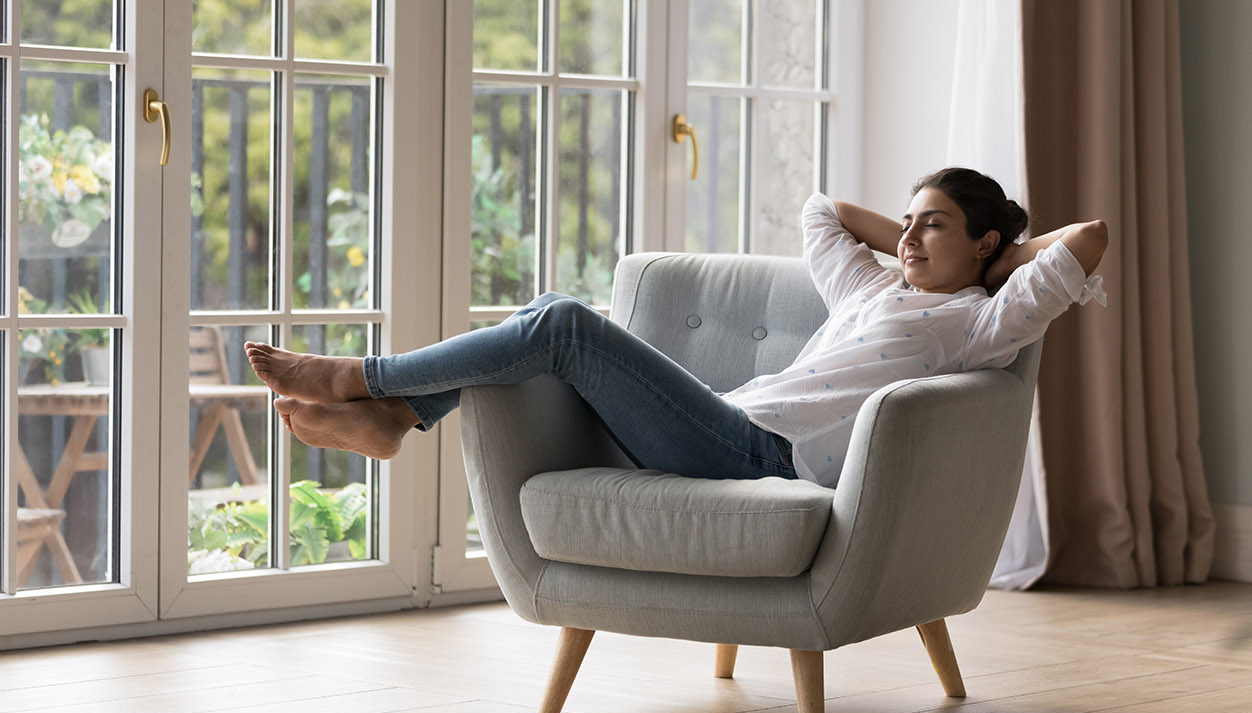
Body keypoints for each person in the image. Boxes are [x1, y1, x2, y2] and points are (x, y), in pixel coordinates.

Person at [245, 167, 1108, 487]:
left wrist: (1001, 261)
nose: (911, 236)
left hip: (763, 454)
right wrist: (920, 237)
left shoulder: (980, 322)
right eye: (911, 221)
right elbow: (823, 209)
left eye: (935, 226)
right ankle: (395, 416)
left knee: (567, 325)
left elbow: (1090, 240)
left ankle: (366, 383)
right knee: (551, 313)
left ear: (989, 246)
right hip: (726, 418)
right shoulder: (870, 291)